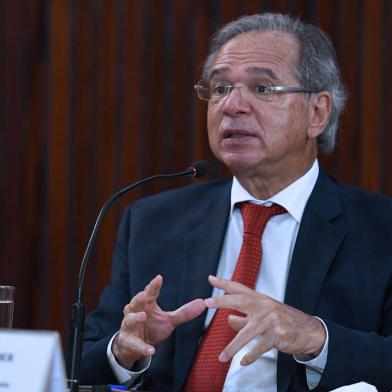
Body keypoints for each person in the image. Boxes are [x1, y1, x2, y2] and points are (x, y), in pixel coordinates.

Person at [80, 12, 392, 392]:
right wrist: (125, 350)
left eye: (262, 89)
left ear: (318, 113)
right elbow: (81, 360)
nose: (233, 105)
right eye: (221, 88)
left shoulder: (381, 231)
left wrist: (316, 338)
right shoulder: (153, 221)